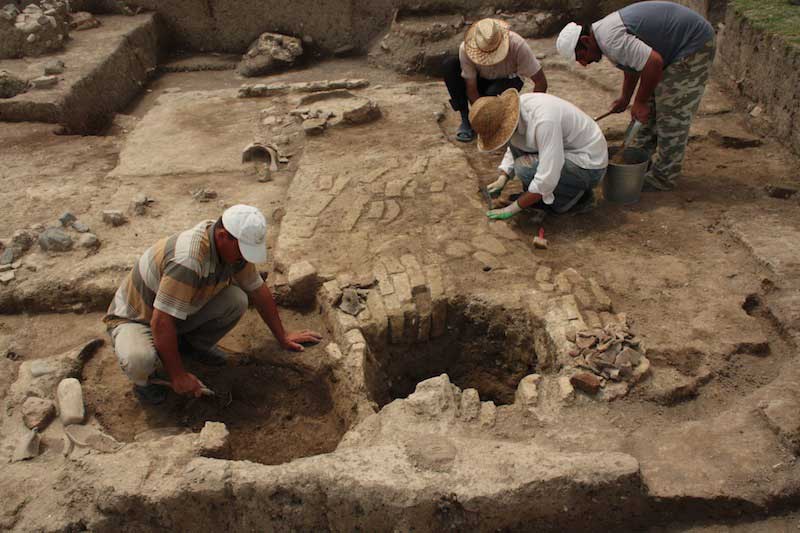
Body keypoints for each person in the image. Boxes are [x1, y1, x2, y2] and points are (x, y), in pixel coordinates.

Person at [103, 204, 322, 404]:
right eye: (241, 251)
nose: (243, 259)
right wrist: (178, 376)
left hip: (175, 311)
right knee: (139, 360)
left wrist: (282, 335)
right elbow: (160, 322)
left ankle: (190, 347)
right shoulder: (188, 260)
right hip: (136, 319)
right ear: (222, 236)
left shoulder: (232, 252)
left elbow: (257, 289)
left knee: (236, 300)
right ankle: (147, 384)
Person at [557, 1, 716, 191]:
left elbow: (653, 63)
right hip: (670, 50)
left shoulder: (610, 40)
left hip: (692, 44)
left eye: (581, 57)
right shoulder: (604, 35)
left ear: (585, 41)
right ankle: (640, 162)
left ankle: (663, 177)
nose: (584, 63)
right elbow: (633, 64)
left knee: (671, 115)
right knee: (645, 112)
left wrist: (639, 102)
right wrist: (626, 98)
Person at [469, 89, 608, 219]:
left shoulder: (544, 121)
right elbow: (515, 142)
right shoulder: (517, 112)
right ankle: (540, 195)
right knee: (522, 164)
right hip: (567, 151)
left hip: (589, 164)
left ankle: (575, 199)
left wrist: (511, 209)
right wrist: (503, 177)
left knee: (524, 168)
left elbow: (547, 177)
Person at [443, 17, 548, 143]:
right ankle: (466, 119)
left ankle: (501, 119)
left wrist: (531, 117)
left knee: (493, 92)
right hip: (481, 80)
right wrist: (481, 115)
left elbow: (541, 82)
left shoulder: (517, 45)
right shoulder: (466, 48)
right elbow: (471, 87)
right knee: (449, 65)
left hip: (508, 79)